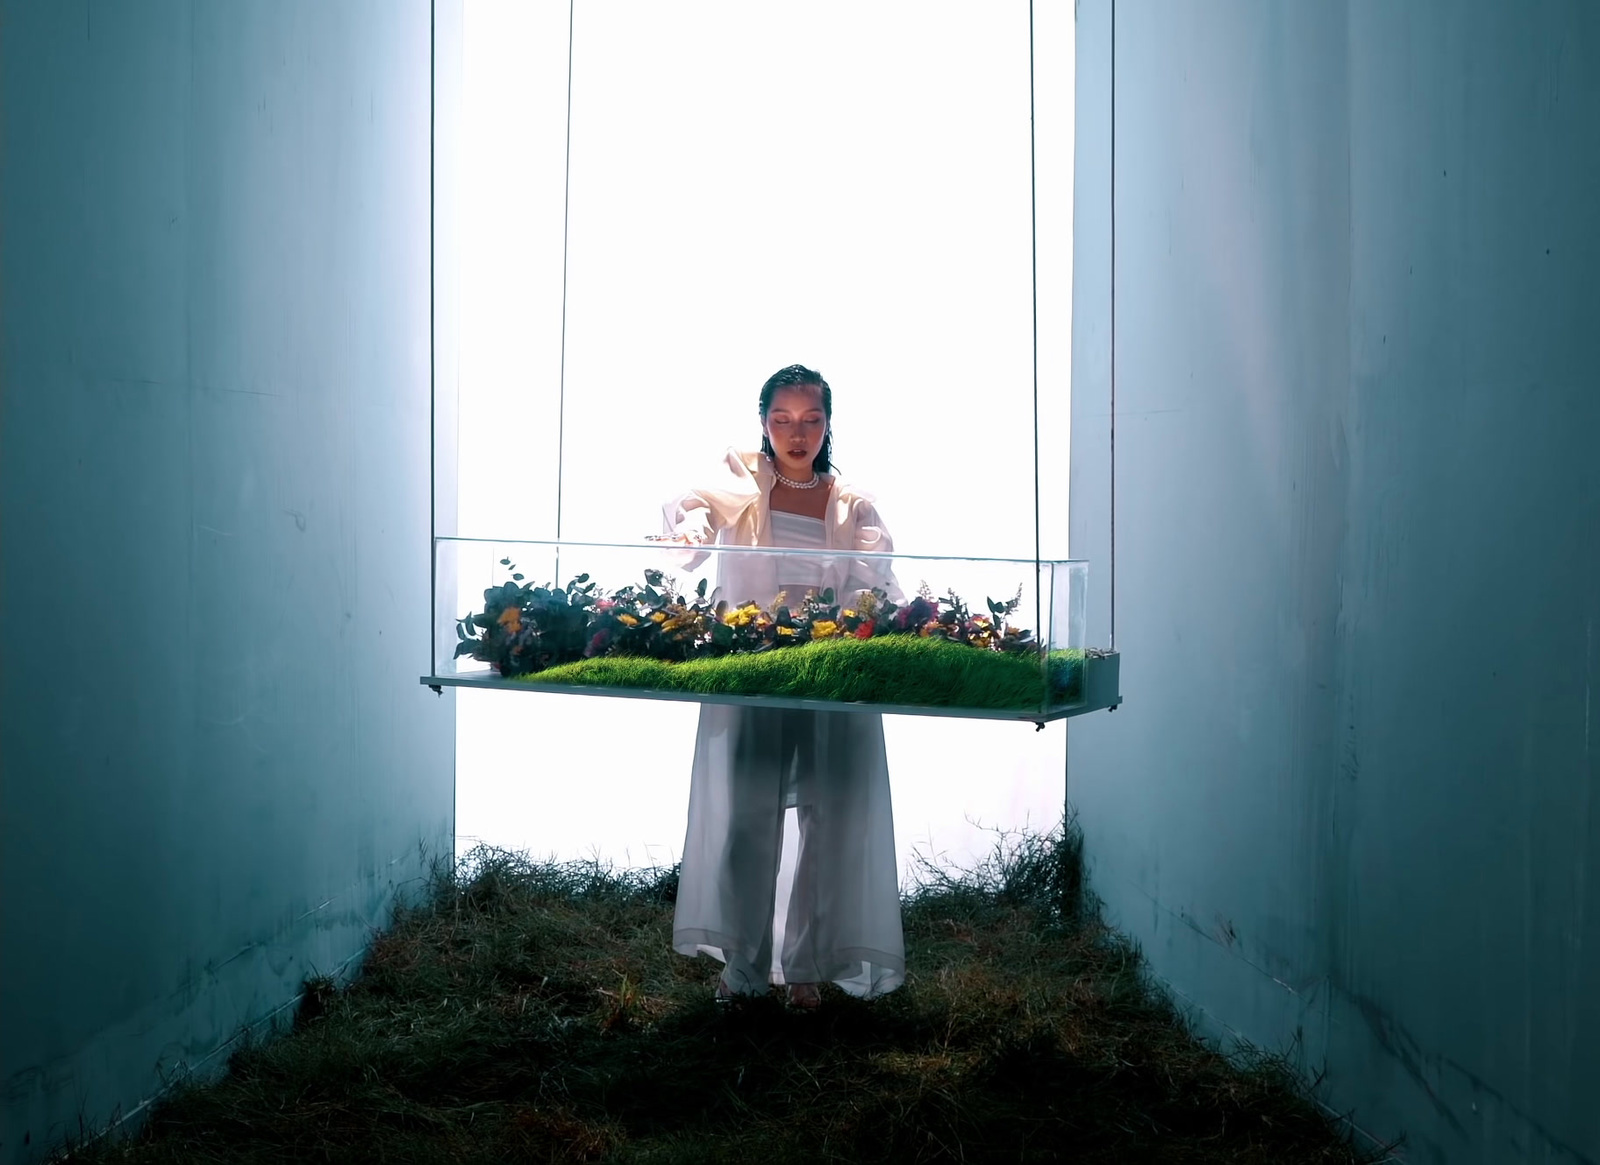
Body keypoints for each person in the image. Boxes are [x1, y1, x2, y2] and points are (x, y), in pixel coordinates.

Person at [660, 364, 907, 1009]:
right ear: (764, 424)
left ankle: (806, 970)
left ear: (828, 425)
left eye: (811, 420)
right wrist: (687, 525)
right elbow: (687, 515)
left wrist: (876, 629)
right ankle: (743, 967)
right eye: (782, 420)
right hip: (753, 671)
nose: (797, 433)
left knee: (830, 821)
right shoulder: (741, 485)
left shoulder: (853, 503)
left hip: (829, 675)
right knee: (746, 817)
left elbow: (880, 587)